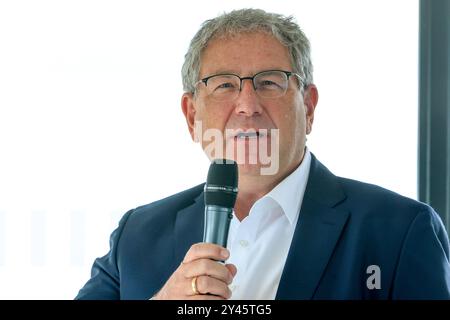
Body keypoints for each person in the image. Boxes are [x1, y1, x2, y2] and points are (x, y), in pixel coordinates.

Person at [76, 8, 450, 300]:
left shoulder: (399, 232)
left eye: (269, 82)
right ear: (192, 115)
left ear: (309, 106)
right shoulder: (137, 235)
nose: (247, 105)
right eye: (223, 85)